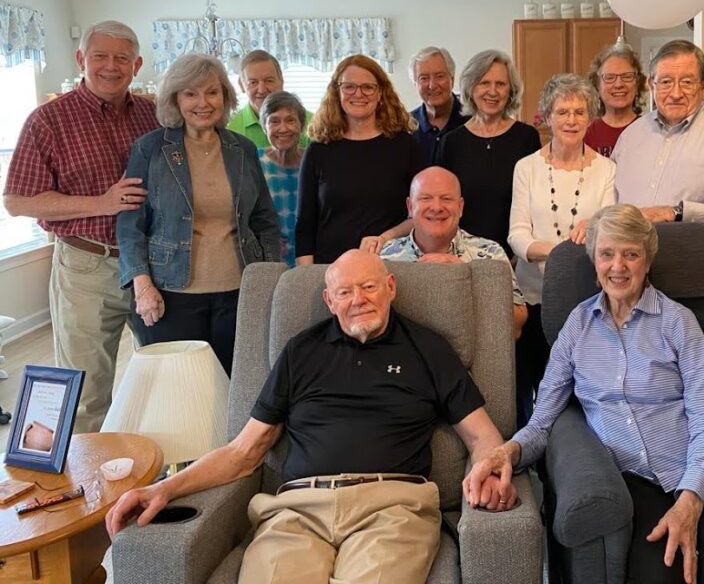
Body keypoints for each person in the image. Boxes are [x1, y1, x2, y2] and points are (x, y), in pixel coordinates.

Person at [107, 250, 516, 584]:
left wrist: (493, 468)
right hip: (297, 511)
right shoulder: (300, 352)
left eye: (369, 286)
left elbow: (482, 437)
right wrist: (165, 488)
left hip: (393, 508)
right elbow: (243, 452)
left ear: (390, 287)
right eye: (345, 292)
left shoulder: (428, 349)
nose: (358, 299)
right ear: (329, 301)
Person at [464, 204, 704, 584]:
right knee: (658, 576)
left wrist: (691, 498)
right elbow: (543, 423)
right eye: (607, 254)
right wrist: (505, 453)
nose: (617, 266)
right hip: (636, 483)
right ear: (595, 261)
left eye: (630, 254)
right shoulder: (577, 327)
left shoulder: (677, 322)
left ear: (647, 262)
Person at [3, 20, 159, 433]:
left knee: (164, 376)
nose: (111, 66)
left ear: (137, 65)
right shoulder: (48, 120)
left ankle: (152, 464)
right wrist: (101, 203)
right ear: (80, 59)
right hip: (87, 267)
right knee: (86, 391)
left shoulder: (153, 115)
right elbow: (17, 200)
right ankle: (88, 470)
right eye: (100, 56)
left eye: (122, 58)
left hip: (153, 265)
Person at [118, 53, 281, 374]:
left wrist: (270, 278)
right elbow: (129, 226)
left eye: (212, 92)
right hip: (169, 294)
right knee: (177, 388)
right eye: (190, 93)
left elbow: (265, 221)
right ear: (175, 100)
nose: (202, 103)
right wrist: (142, 285)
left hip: (239, 293)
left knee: (234, 385)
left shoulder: (243, 149)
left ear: (225, 96)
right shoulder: (150, 149)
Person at [509, 74, 616, 425]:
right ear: (547, 117)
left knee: (578, 392)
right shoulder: (526, 168)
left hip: (584, 298)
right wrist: (562, 254)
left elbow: (607, 232)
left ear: (590, 117)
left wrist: (594, 227)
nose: (571, 120)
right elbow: (517, 235)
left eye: (579, 112)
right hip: (533, 297)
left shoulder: (607, 170)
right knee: (535, 390)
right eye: (562, 111)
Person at [612, 40, 704, 227]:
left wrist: (678, 213)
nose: (676, 94)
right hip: (628, 245)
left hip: (696, 245)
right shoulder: (630, 136)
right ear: (651, 84)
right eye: (666, 82)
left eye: (687, 82)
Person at [295, 54, 423, 264]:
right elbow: (305, 222)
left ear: (380, 93)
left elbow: (421, 214)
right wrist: (306, 274)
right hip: (332, 268)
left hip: (390, 263)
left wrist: (386, 237)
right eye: (349, 87)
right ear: (337, 92)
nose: (358, 94)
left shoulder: (405, 146)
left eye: (367, 87)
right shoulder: (318, 149)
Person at [379, 166, 528, 335]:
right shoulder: (384, 258)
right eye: (426, 198)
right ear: (410, 207)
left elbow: (517, 324)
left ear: (460, 206)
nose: (436, 207)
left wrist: (468, 277)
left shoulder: (490, 253)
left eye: (446, 199)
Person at [438, 50, 540, 259]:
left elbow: (536, 202)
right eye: (484, 83)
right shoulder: (452, 142)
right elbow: (443, 205)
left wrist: (520, 255)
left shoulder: (527, 137)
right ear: (471, 87)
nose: (492, 91)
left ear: (510, 90)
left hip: (516, 257)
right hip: (462, 257)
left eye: (500, 84)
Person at [257, 91, 307, 266]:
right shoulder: (254, 161)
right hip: (268, 257)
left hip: (312, 256)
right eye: (274, 121)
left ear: (301, 125)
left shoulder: (313, 161)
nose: (283, 128)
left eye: (290, 120)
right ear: (264, 127)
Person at [226, 50, 310, 149]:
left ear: (281, 81)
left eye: (269, 81)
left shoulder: (313, 124)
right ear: (241, 85)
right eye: (253, 82)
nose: (262, 90)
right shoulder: (230, 130)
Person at [584, 41, 648, 157]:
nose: (619, 84)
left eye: (627, 77)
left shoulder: (650, 131)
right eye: (609, 77)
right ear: (597, 86)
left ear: (637, 84)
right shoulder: (585, 134)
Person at [408, 46, 468, 165]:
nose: (432, 85)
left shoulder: (473, 121)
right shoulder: (405, 126)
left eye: (440, 76)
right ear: (415, 84)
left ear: (452, 79)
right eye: (424, 78)